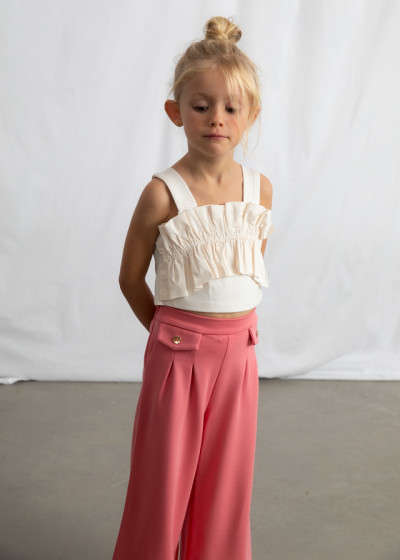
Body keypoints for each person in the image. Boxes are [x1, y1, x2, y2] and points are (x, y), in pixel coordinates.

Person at [112, 15, 274, 560]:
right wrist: (170, 335)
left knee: (228, 483)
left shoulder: (259, 190)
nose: (216, 119)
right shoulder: (162, 194)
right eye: (201, 106)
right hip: (178, 354)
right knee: (163, 483)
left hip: (241, 354)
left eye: (231, 108)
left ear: (251, 116)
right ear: (175, 111)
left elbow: (246, 269)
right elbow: (129, 277)